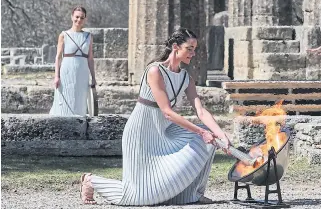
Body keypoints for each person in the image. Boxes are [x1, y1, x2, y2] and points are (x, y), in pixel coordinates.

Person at [79, 28, 231, 205]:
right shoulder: (155, 71)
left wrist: (221, 135)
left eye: (194, 49)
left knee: (208, 140)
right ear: (175, 47)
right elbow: (167, 112)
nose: (193, 53)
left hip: (165, 133)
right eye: (189, 48)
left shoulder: (186, 78)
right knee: (138, 197)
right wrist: (201, 132)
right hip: (141, 133)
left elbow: (201, 111)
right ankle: (91, 181)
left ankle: (192, 195)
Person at [49, 6, 97, 116]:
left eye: (82, 18)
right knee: (64, 99)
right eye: (77, 17)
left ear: (85, 19)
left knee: (80, 100)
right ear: (72, 17)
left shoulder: (88, 36)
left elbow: (90, 58)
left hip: (82, 71)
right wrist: (56, 76)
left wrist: (93, 77)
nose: (79, 20)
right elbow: (58, 57)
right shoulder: (64, 35)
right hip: (67, 70)